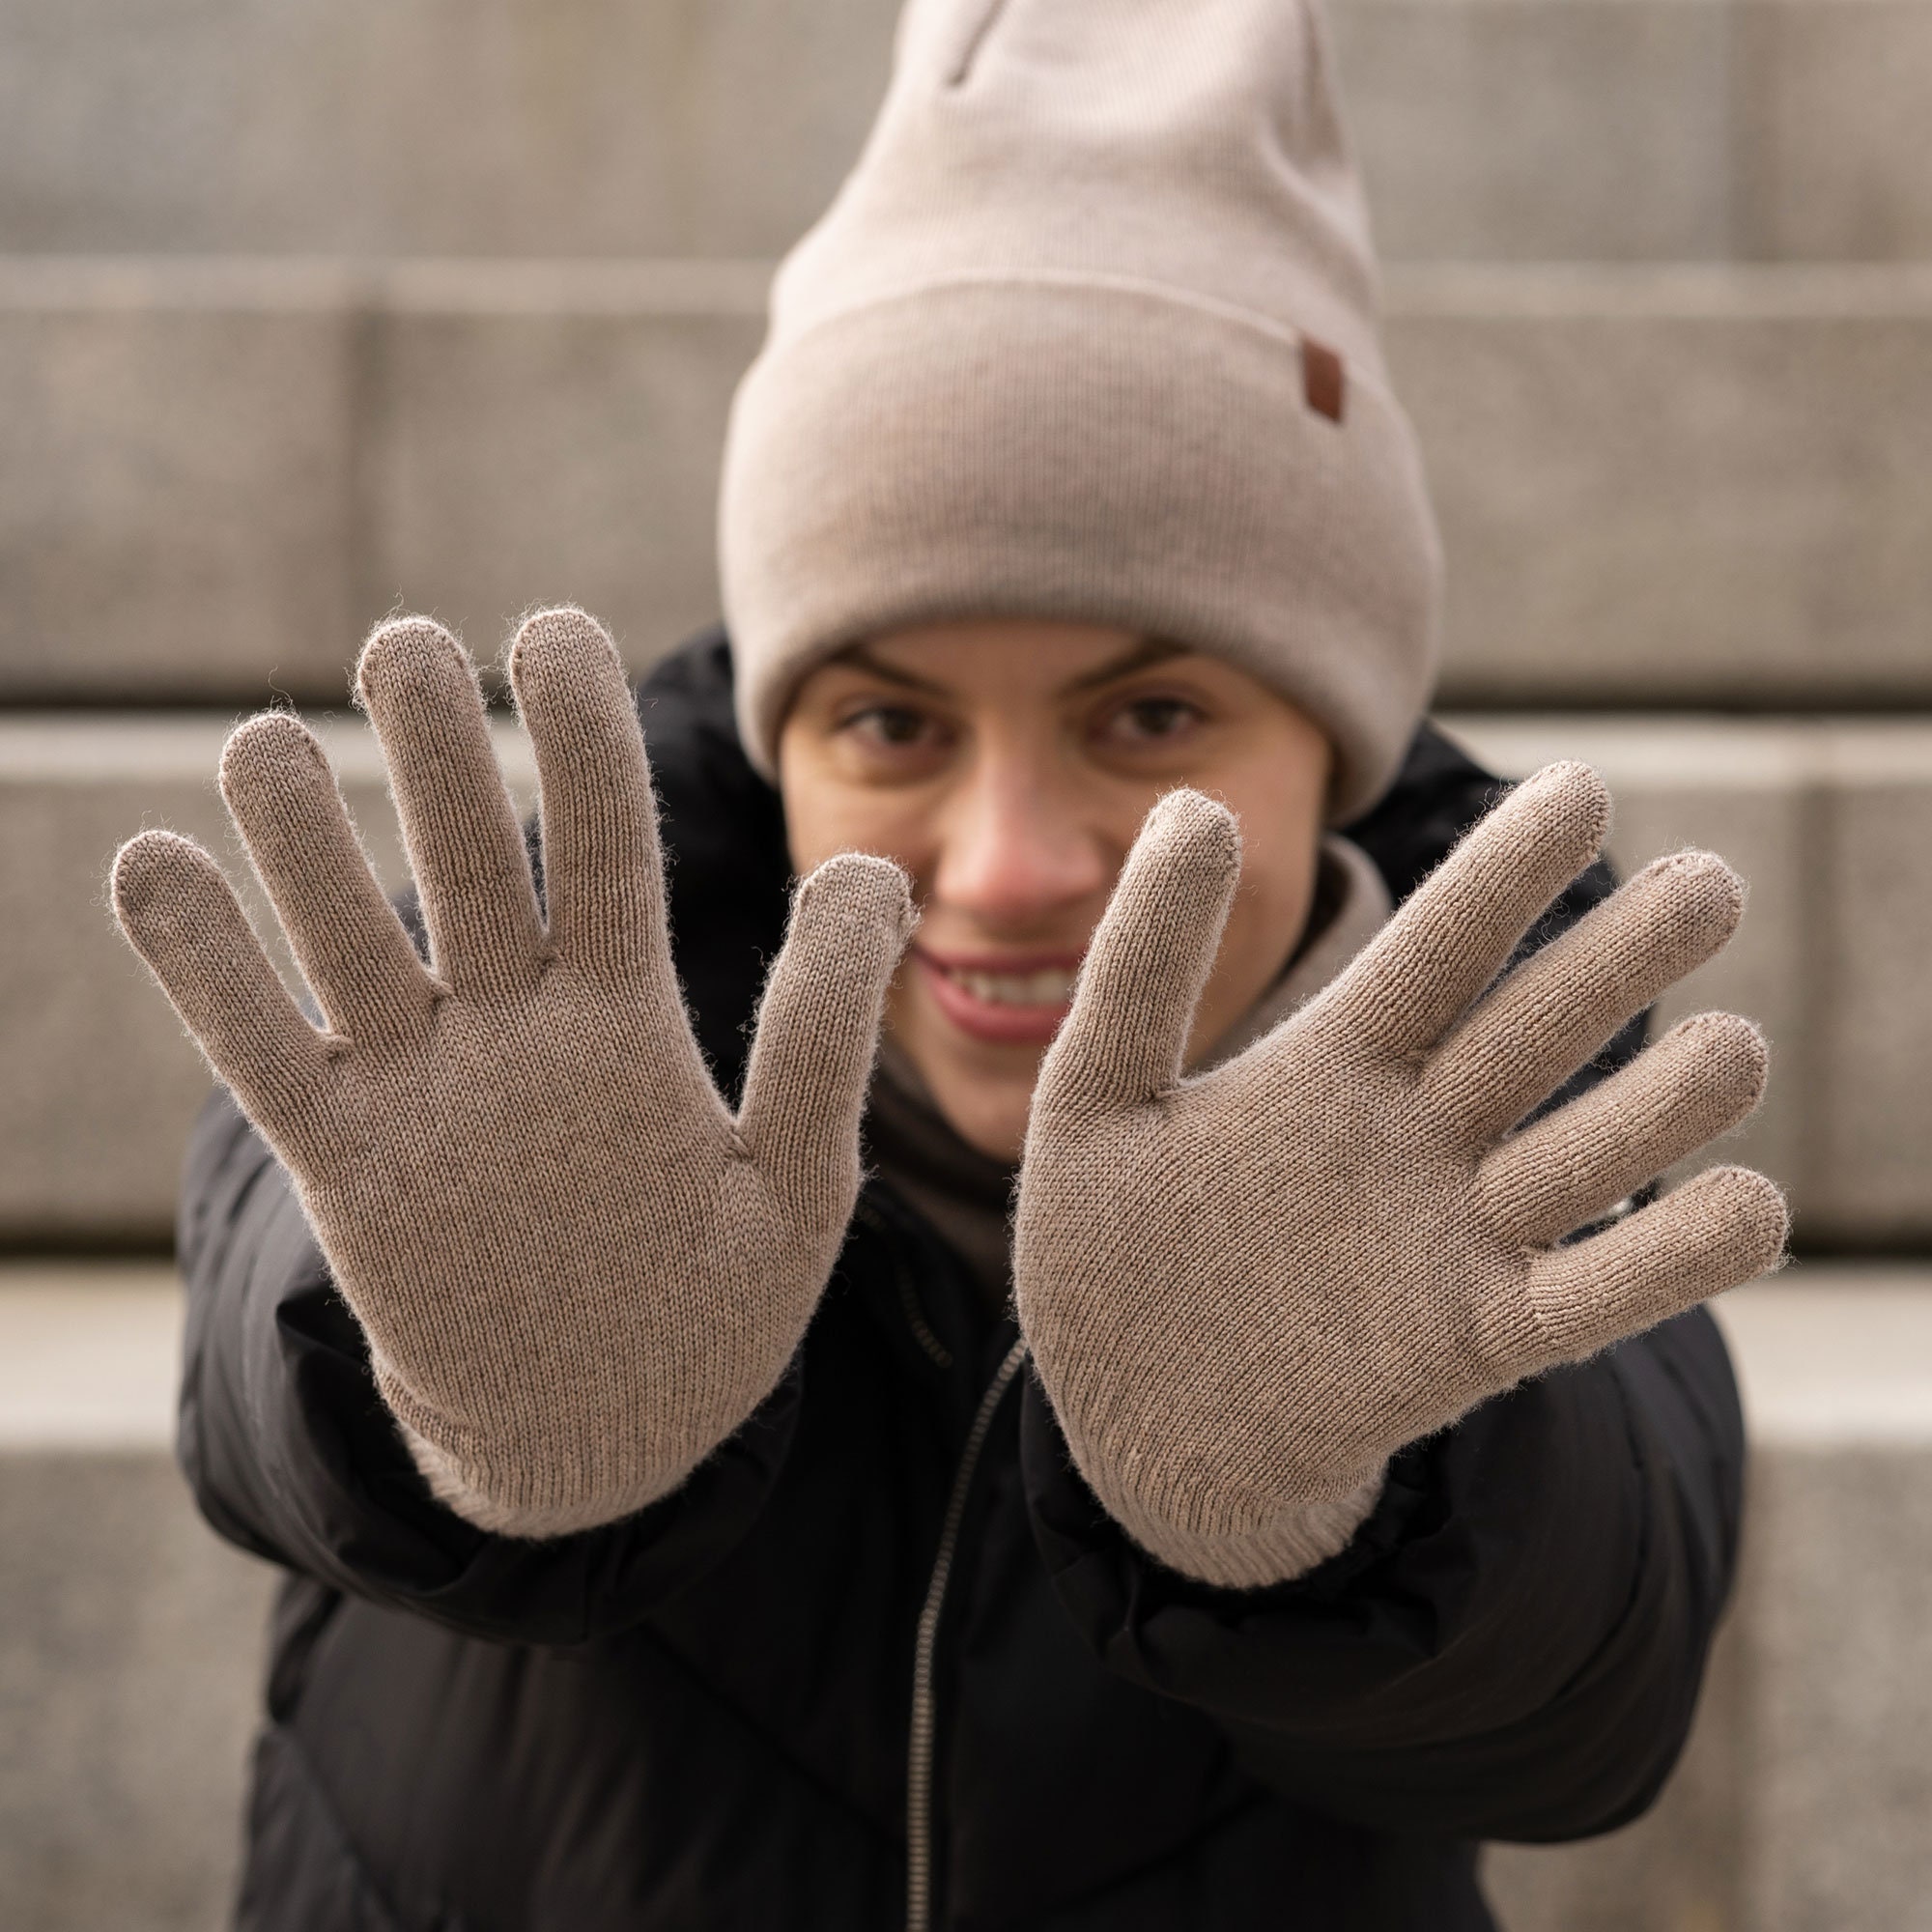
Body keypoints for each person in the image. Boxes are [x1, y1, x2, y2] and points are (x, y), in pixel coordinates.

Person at [112, 3, 1784, 1926]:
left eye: (1148, 713)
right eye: (893, 724)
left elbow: (1593, 1693)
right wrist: (457, 1419)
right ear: (775, 743)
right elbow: (262, 1341)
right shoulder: (535, 1012)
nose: (1001, 871)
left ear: (1333, 747)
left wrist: (1347, 1504)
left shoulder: (1501, 1116)